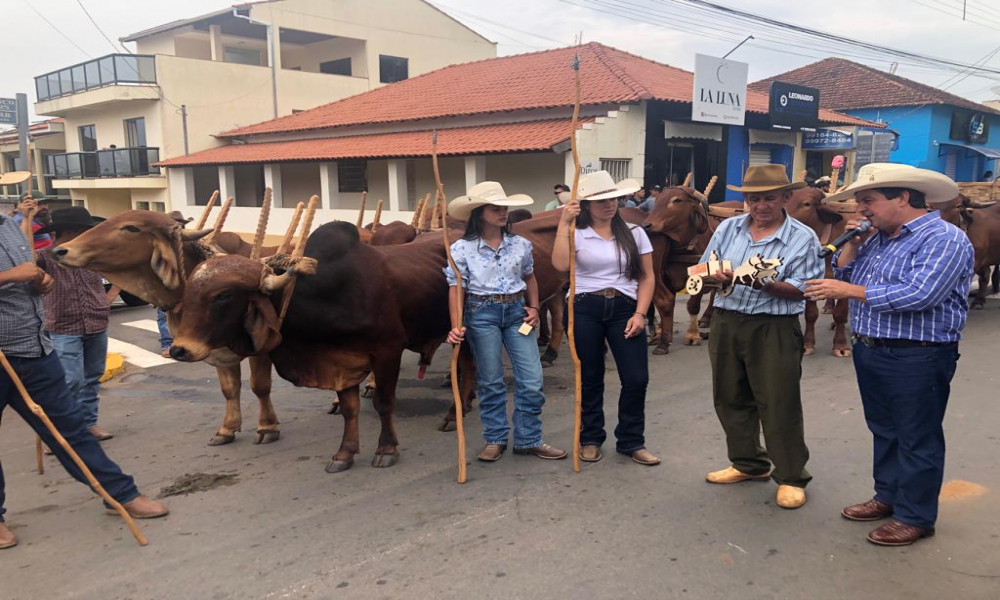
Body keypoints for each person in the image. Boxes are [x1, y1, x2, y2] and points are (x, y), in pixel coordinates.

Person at [804, 164, 973, 546]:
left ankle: (915, 516)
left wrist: (852, 293)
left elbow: (920, 294)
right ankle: (888, 496)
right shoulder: (878, 238)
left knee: (917, 436)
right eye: (860, 202)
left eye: (869, 201)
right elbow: (845, 277)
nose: (862, 209)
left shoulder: (943, 239)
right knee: (885, 430)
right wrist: (851, 241)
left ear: (903, 197)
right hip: (872, 349)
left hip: (918, 355)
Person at [0, 211, 168, 550]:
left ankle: (120, 494)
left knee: (72, 428)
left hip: (35, 348)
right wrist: (8, 276)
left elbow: (31, 281)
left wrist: (39, 282)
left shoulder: (9, 226)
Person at [698, 164, 823, 509]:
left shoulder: (802, 237)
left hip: (774, 326)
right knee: (729, 396)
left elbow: (806, 289)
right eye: (753, 199)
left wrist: (769, 284)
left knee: (778, 401)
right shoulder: (727, 228)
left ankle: (791, 476)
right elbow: (706, 266)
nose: (760, 206)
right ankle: (748, 463)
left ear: (786, 197)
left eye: (768, 198)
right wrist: (714, 276)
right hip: (726, 319)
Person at [445, 181, 566, 462]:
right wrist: (455, 324)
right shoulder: (461, 248)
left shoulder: (521, 245)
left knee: (532, 380)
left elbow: (529, 277)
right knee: (490, 381)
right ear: (479, 213)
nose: (503, 213)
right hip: (481, 313)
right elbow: (456, 288)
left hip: (516, 312)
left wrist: (534, 307)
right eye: (496, 208)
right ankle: (495, 438)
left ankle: (528, 438)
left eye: (504, 208)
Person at [551, 170, 660, 466]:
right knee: (590, 377)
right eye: (600, 201)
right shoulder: (576, 233)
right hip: (585, 307)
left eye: (612, 198)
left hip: (625, 308)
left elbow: (647, 277)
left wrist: (641, 314)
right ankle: (590, 438)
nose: (608, 204)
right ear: (586, 205)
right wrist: (564, 221)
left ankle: (631, 440)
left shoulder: (635, 233)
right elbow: (560, 265)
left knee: (637, 378)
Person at [35, 207, 114, 441]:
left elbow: (120, 271)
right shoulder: (44, 257)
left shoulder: (91, 255)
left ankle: (88, 423)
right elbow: (27, 265)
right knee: (70, 381)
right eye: (84, 231)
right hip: (63, 327)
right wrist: (25, 218)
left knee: (92, 378)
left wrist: (108, 298)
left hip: (97, 322)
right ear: (70, 231)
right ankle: (58, 432)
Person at [155, 211, 193, 357]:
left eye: (180, 225)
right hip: (166, 285)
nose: (179, 227)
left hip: (186, 285)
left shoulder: (189, 244)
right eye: (176, 224)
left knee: (187, 315)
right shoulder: (161, 244)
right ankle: (166, 344)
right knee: (164, 316)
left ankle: (184, 341)